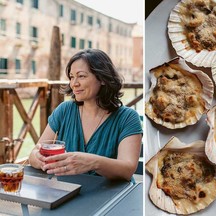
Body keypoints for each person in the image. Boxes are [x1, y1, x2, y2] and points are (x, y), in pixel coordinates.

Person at [29, 49, 143, 182]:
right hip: (69, 192)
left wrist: (93, 162)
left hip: (113, 197)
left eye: (81, 76)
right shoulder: (64, 110)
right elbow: (33, 154)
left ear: (103, 79)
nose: (74, 84)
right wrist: (40, 160)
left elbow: (127, 170)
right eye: (71, 77)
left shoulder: (128, 117)